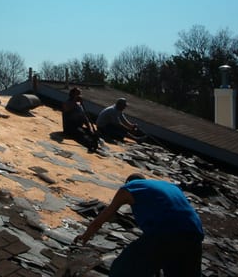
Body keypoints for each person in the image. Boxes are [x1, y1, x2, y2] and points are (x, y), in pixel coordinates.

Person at [74, 173, 204, 277]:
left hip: (166, 234)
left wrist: (86, 235)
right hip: (194, 234)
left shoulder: (129, 188)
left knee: (122, 269)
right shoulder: (170, 187)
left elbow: (102, 218)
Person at [62, 88, 101, 153]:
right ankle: (91, 145)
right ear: (72, 94)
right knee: (83, 136)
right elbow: (66, 109)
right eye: (77, 94)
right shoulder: (67, 103)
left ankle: (95, 143)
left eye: (80, 94)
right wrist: (75, 101)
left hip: (78, 127)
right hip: (70, 127)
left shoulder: (79, 105)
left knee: (91, 134)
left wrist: (89, 128)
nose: (79, 96)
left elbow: (84, 117)